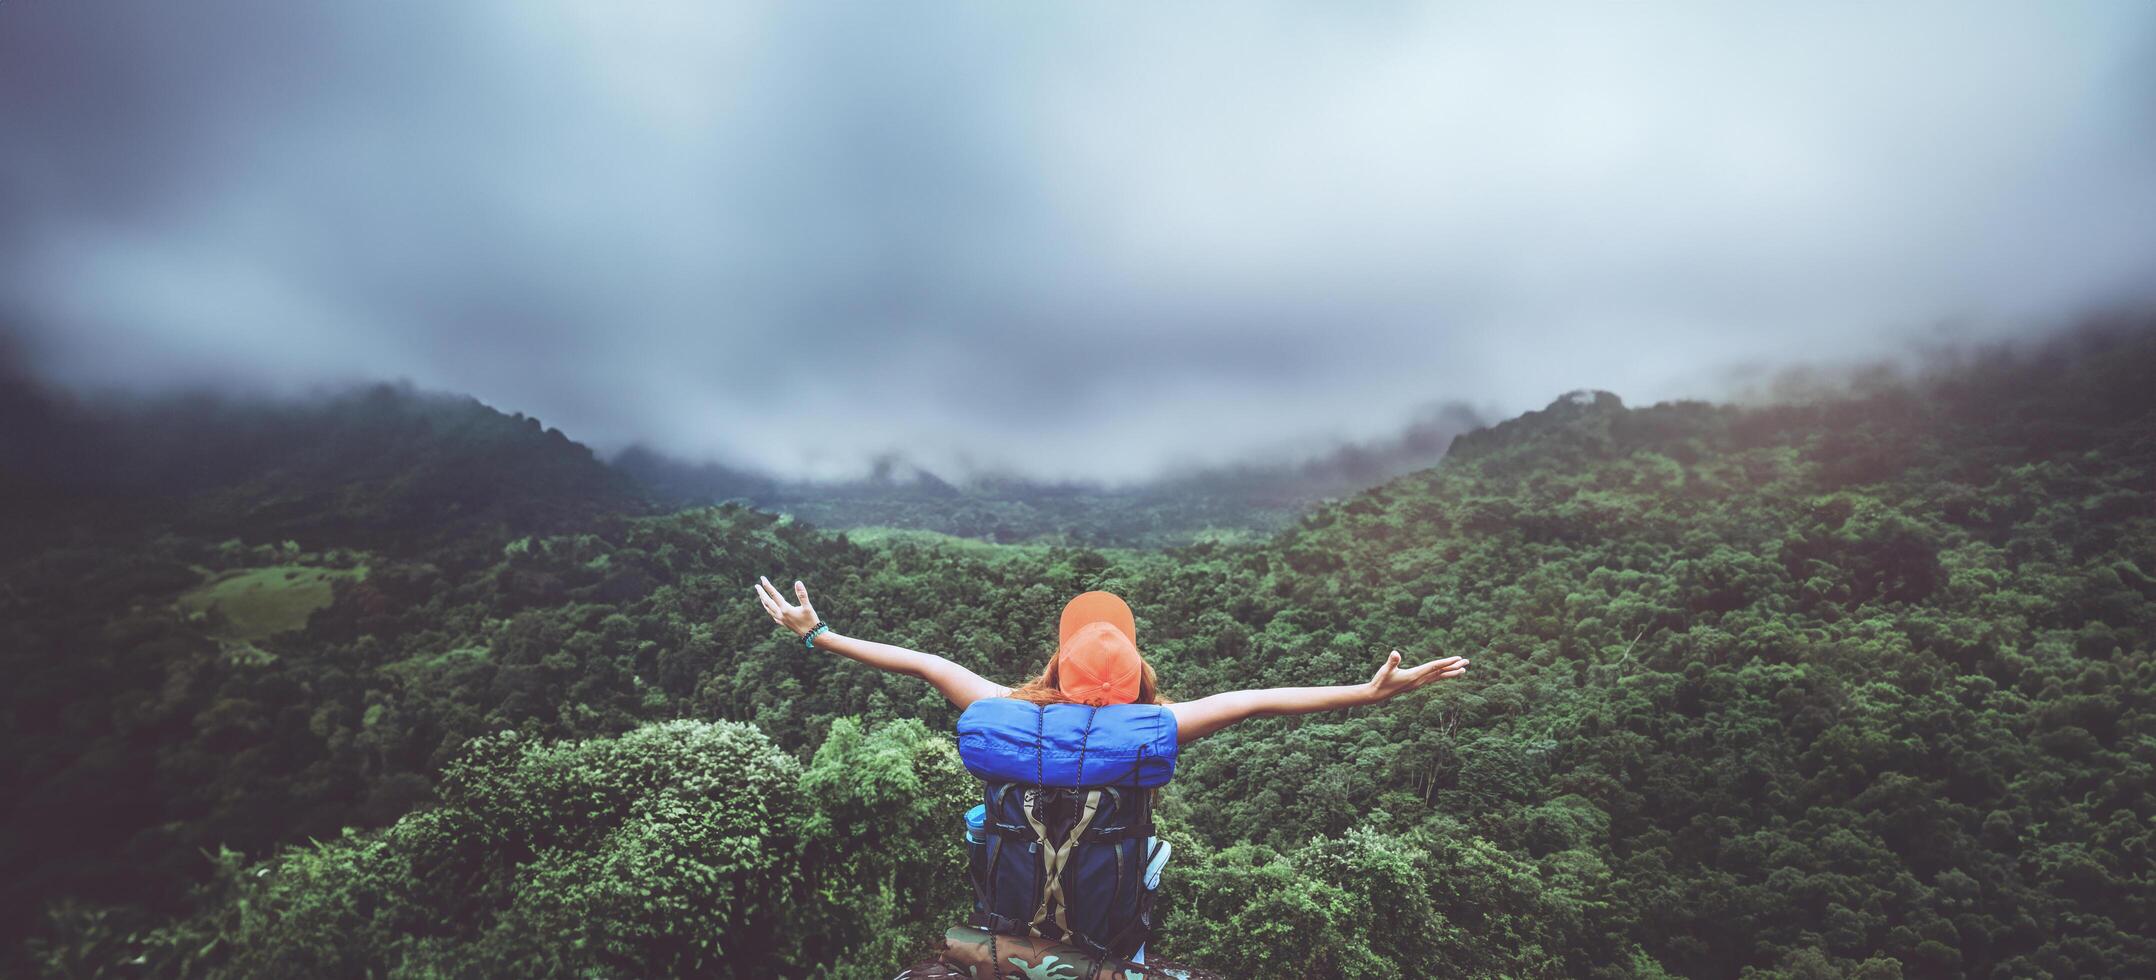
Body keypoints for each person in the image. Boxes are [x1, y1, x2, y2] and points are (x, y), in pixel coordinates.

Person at [751, 575, 1469, 971]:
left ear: (1058, 666)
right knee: (1151, 852)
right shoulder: (1155, 728)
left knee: (985, 825)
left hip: (1004, 913)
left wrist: (815, 632)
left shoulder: (1001, 708)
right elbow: (1259, 702)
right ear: (1135, 681)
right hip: (1106, 931)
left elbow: (918, 660)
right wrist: (1371, 693)